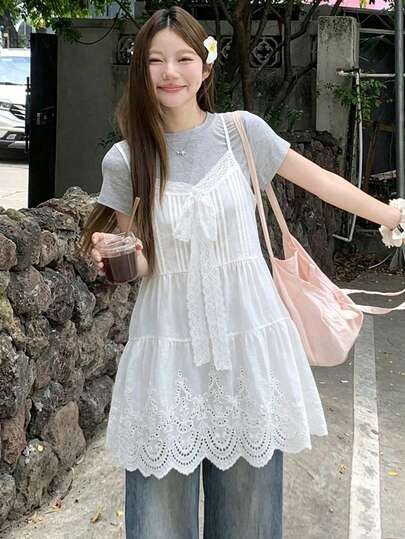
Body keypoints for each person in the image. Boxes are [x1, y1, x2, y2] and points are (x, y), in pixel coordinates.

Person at [80, 6, 403, 538]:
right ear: (141, 70)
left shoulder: (241, 134)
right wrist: (113, 256)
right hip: (168, 354)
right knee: (159, 524)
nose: (170, 72)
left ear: (206, 66)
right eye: (156, 61)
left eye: (184, 58)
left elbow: (320, 180)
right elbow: (143, 259)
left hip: (248, 350)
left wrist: (393, 216)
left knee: (248, 524)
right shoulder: (126, 158)